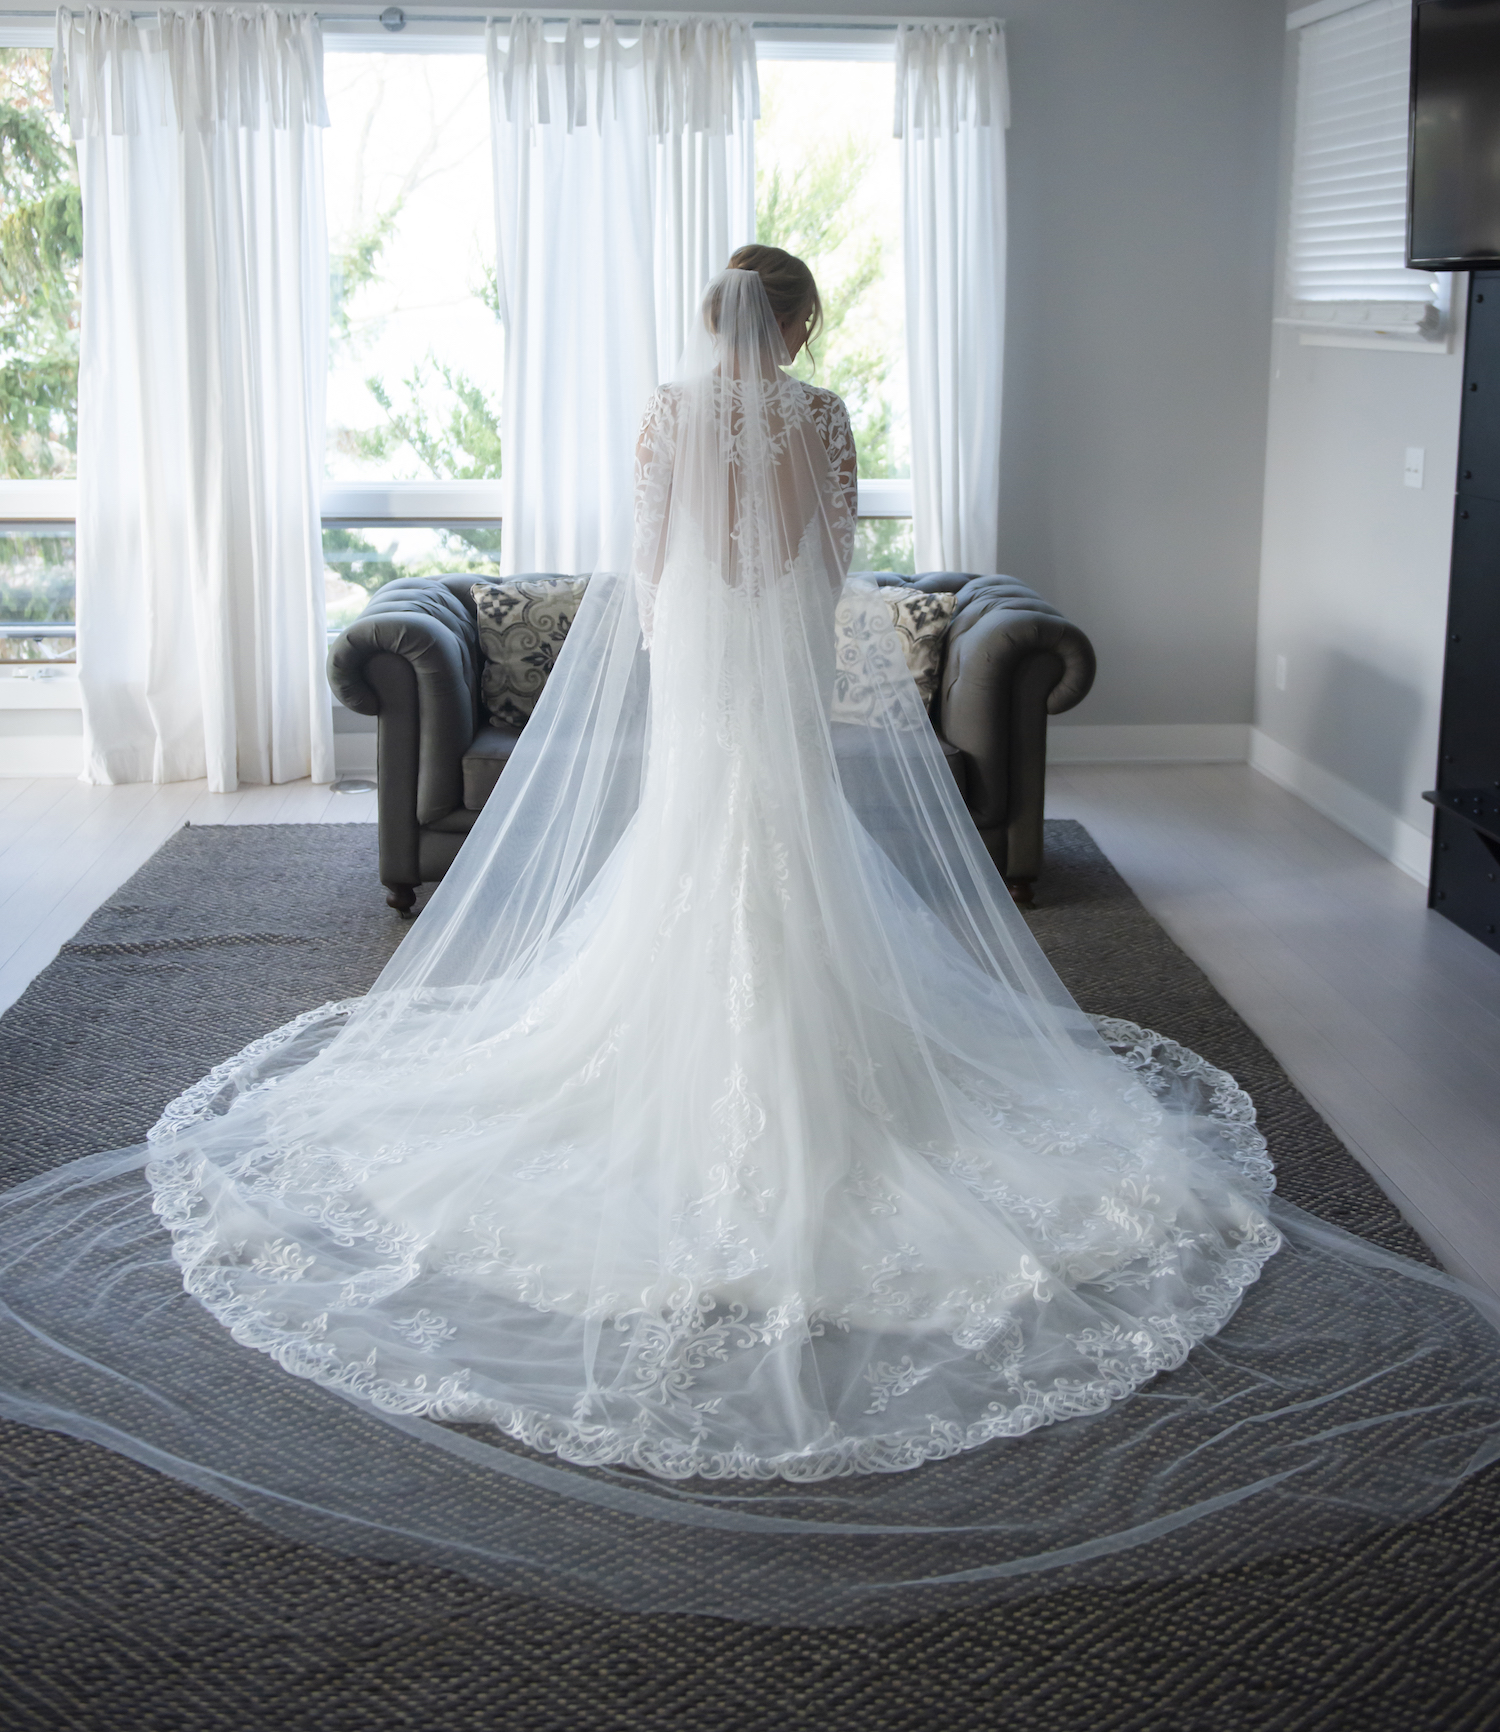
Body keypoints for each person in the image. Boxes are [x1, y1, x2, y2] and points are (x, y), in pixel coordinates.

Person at [1, 247, 1497, 1623]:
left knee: (697, 845)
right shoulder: (822, 413)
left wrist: (686, 634)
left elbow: (651, 562)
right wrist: (784, 612)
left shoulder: (664, 413)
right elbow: (830, 555)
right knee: (789, 850)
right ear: (795, 326)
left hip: (704, 648)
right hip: (776, 642)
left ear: (717, 322)